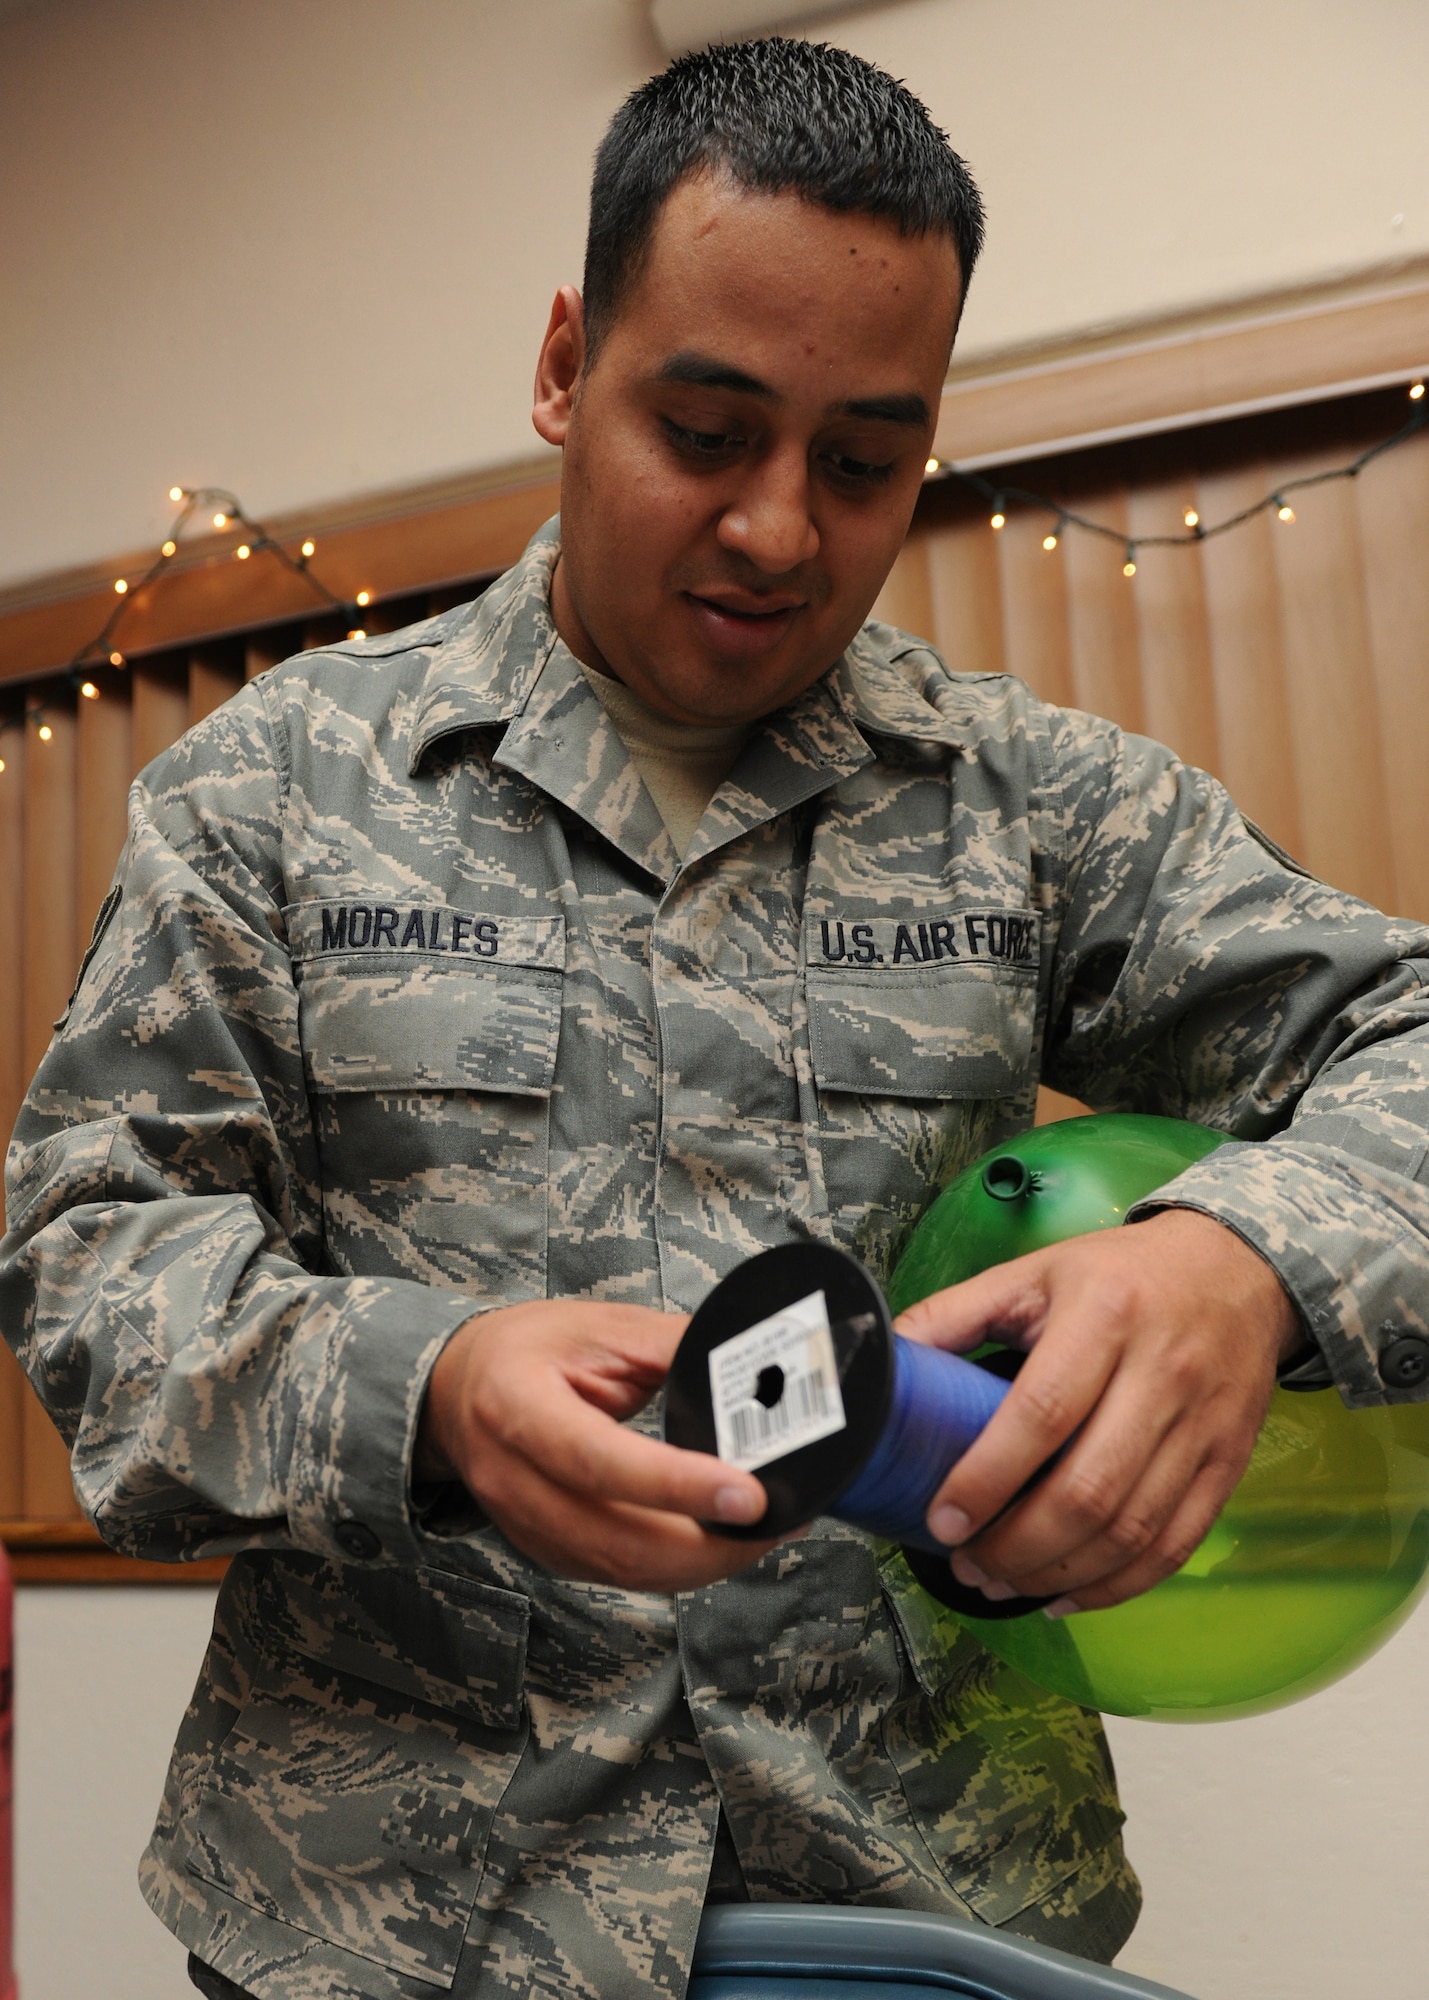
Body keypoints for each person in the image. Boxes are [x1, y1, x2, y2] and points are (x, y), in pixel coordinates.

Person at [4, 35, 1429, 2000]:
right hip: (390, 1930)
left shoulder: (1029, 805)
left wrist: (1242, 1256)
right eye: (703, 428)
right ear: (564, 366)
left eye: (861, 462)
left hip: (922, 1905)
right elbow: (89, 1257)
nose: (776, 529)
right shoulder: (278, 789)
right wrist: (429, 1386)